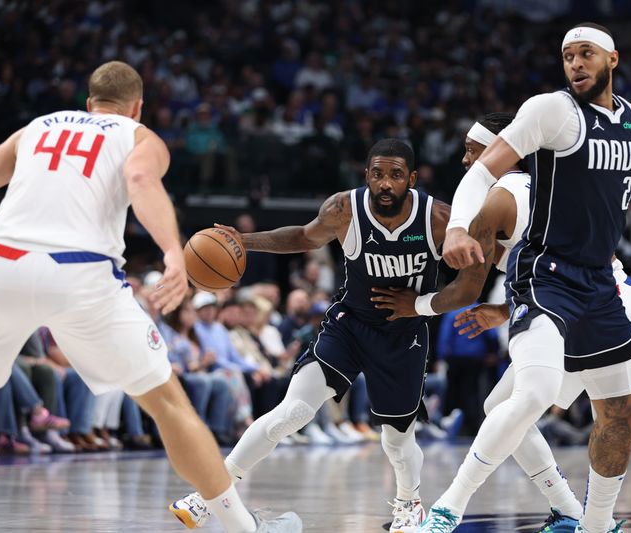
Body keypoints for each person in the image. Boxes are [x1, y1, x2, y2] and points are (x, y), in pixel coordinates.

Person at [0, 61, 299, 533]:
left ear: (88, 102)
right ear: (138, 107)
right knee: (166, 402)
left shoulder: (35, 128)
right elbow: (140, 182)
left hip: (0, 262)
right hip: (78, 271)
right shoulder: (138, 136)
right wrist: (173, 252)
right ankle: (243, 528)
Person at [379, 112, 631, 533]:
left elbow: (468, 289)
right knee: (615, 417)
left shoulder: (505, 195)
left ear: (504, 150)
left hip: (596, 303)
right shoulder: (536, 187)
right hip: (608, 297)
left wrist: (418, 305)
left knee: (530, 408)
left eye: (473, 149)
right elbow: (543, 270)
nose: (467, 161)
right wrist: (504, 310)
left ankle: (471, 509)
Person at [172, 139, 456, 533]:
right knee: (292, 412)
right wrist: (244, 241)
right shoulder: (345, 209)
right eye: (377, 174)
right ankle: (209, 494)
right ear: (367, 176)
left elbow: (470, 283)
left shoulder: (439, 218)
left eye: (394, 175)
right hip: (350, 325)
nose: (385, 183)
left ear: (411, 178)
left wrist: (422, 304)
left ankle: (409, 504)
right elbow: (303, 237)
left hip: (403, 335)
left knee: (396, 438)